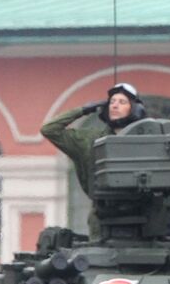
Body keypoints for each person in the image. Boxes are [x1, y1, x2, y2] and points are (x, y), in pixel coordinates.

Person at [41, 83, 147, 237]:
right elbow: (49, 129)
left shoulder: (147, 141)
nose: (115, 105)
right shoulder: (89, 140)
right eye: (112, 102)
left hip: (143, 216)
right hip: (102, 216)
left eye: (122, 102)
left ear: (135, 109)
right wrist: (83, 110)